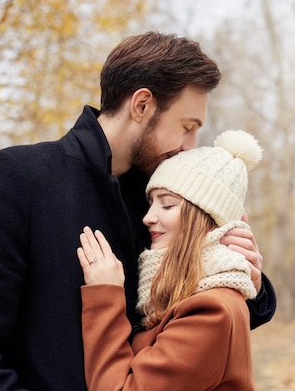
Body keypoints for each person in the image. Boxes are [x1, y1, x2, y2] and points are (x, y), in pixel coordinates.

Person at [0, 31, 276, 391]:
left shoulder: (163, 199)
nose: (190, 147)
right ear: (142, 105)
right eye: (187, 128)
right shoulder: (18, 179)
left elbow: (198, 335)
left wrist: (251, 279)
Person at [77, 129, 262, 390]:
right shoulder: (184, 296)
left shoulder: (212, 311)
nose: (148, 217)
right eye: (151, 203)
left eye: (167, 205)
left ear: (205, 218)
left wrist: (105, 295)